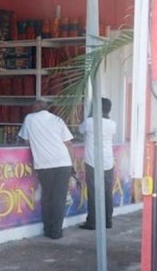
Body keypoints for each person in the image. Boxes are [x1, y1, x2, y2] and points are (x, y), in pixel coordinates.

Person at [18, 99, 74, 239]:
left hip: (44, 165)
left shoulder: (29, 119)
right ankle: (56, 231)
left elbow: (25, 140)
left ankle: (48, 229)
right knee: (59, 198)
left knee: (47, 197)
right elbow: (68, 144)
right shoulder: (57, 120)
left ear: (35, 107)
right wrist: (72, 165)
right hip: (63, 162)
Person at [78, 98, 116, 230]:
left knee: (93, 192)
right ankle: (108, 220)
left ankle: (92, 221)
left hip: (92, 161)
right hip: (108, 162)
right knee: (107, 192)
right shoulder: (112, 124)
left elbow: (80, 130)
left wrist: (90, 115)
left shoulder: (89, 122)